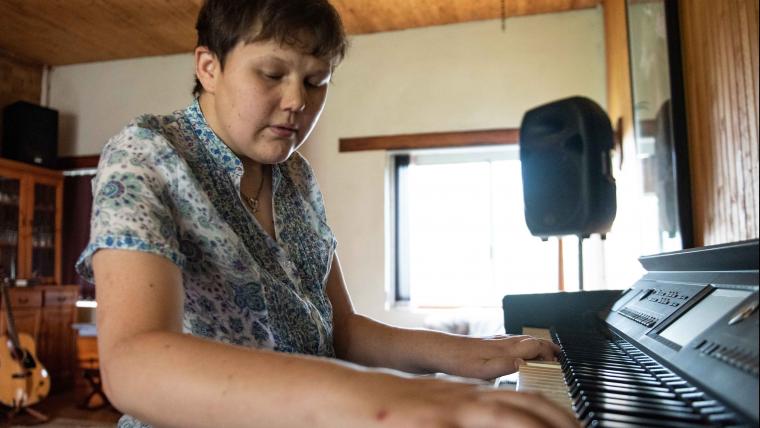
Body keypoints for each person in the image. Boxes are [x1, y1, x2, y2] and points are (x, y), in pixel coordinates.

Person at [76, 1, 578, 427]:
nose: (297, 100)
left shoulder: (297, 179)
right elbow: (132, 361)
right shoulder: (146, 154)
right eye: (272, 74)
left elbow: (342, 330)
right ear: (208, 67)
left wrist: (467, 354)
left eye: (317, 81)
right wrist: (383, 399)